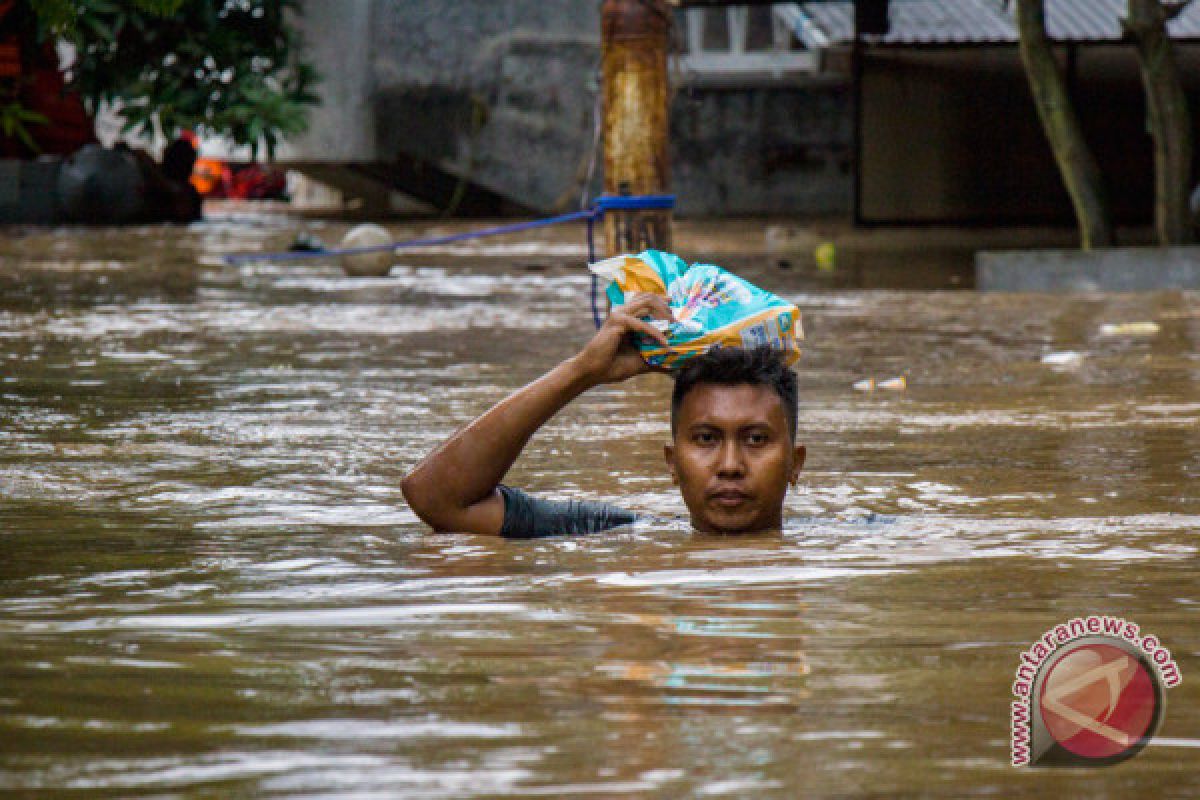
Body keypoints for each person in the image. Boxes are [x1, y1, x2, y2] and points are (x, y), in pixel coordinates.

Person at [401, 292, 806, 537]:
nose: (730, 466)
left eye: (755, 440)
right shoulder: (614, 533)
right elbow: (433, 497)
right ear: (672, 462)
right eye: (706, 439)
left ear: (795, 463)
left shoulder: (859, 541)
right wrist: (581, 373)